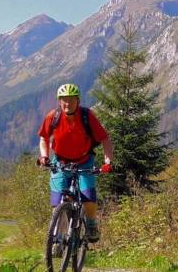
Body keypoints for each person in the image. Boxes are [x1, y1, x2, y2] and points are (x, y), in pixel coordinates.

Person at [37, 83, 114, 243]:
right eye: (64, 100)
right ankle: (58, 238)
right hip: (60, 162)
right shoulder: (53, 116)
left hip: (84, 161)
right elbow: (44, 137)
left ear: (77, 100)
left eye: (71, 100)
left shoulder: (87, 116)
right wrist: (44, 156)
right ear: (59, 101)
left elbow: (105, 139)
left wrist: (107, 161)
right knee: (57, 202)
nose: (67, 103)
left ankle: (92, 225)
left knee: (88, 198)